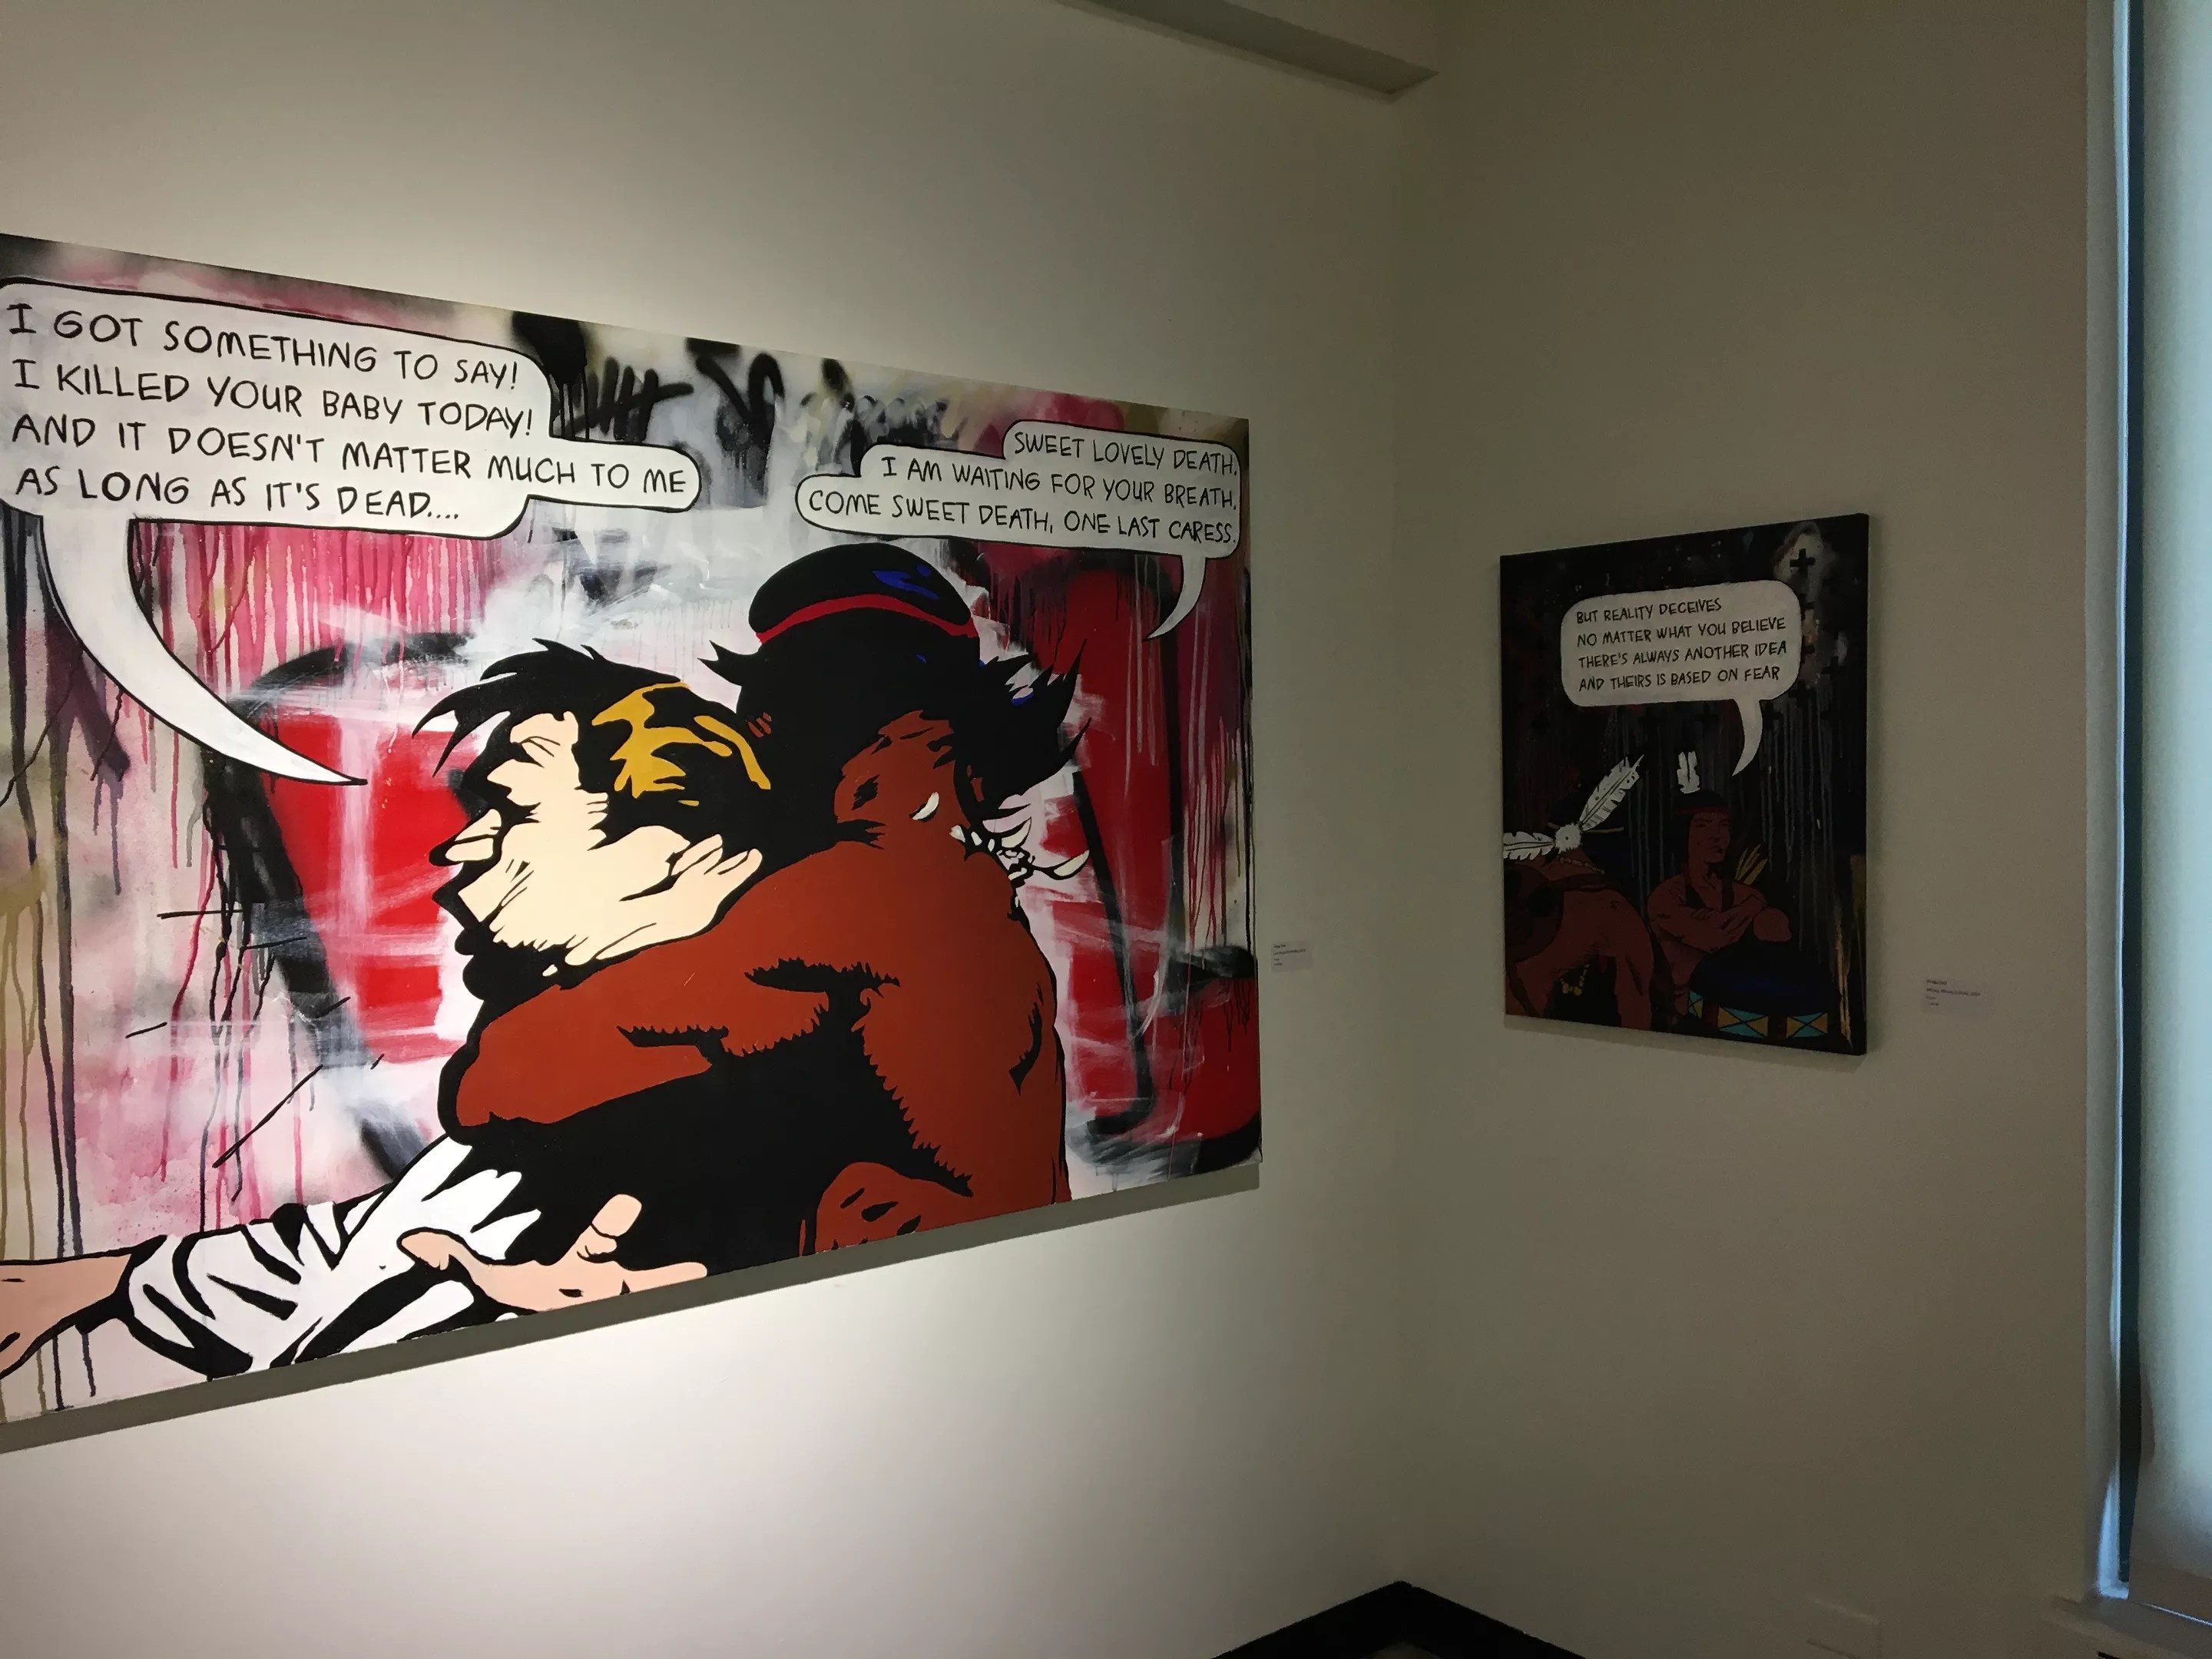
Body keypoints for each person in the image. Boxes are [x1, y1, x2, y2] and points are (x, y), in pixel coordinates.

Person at [0, 544, 1078, 1384]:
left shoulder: (868, 892)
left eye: (773, 714)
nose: (463, 858)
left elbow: (505, 1079)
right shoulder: (958, 899)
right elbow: (392, 1232)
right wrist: (101, 1282)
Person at [1644, 793, 1790, 1025]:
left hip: (1740, 1013)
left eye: (1724, 826)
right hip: (1684, 1020)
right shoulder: (1666, 896)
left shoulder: (1743, 894)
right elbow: (1713, 938)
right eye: (1703, 826)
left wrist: (1731, 915)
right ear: (1684, 834)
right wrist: (1747, 912)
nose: (1717, 836)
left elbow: (1778, 927)